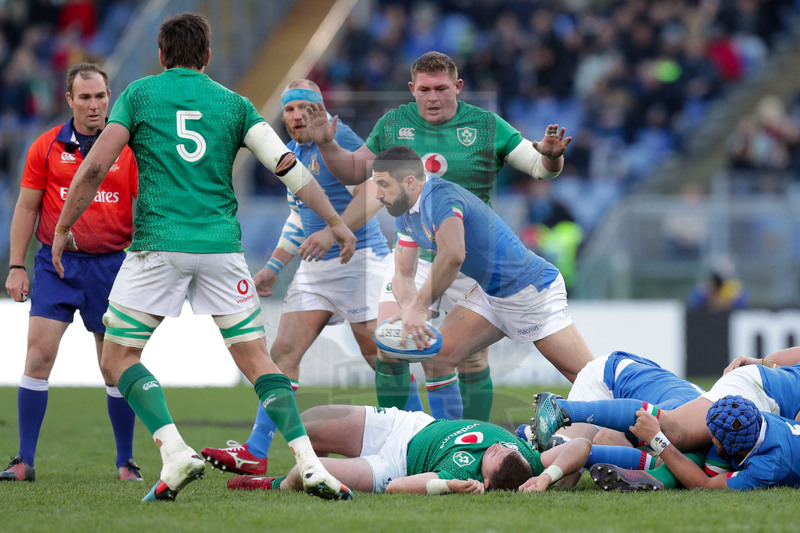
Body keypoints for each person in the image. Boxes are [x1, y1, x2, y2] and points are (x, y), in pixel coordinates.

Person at [49, 13, 356, 503]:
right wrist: (337, 223)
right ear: (208, 56)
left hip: (158, 244)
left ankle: (173, 450)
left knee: (119, 355)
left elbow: (95, 166)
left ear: (161, 54)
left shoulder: (139, 95)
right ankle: (310, 463)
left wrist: (64, 227)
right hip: (220, 248)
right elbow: (288, 168)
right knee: (257, 360)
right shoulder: (234, 105)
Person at [303, 51, 594, 421]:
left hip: (477, 264)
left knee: (473, 361)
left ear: (457, 87)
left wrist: (552, 158)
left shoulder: (485, 126)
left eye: (441, 88)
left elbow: (539, 166)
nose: (432, 97)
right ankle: (402, 439)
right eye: (424, 89)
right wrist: (328, 146)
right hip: (426, 251)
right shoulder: (395, 130)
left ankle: (471, 441)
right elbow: (355, 173)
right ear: (412, 89)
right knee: (392, 347)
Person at [200, 79, 423, 476]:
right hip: (317, 269)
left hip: (359, 262)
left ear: (321, 110)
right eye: (289, 109)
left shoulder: (340, 138)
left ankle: (419, 437)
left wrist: (331, 229)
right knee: (282, 355)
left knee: (382, 358)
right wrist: (273, 266)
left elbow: (374, 194)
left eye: (306, 106)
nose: (298, 115)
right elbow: (297, 217)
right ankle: (255, 450)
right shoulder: (288, 152)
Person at [366, 145, 591, 427]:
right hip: (487, 294)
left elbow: (454, 255)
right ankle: (457, 447)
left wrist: (419, 306)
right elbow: (403, 271)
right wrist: (414, 310)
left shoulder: (439, 196)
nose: (377, 194)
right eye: (376, 184)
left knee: (585, 375)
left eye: (383, 184)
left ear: (410, 181)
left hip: (529, 290)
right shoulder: (403, 211)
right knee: (438, 359)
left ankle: (645, 423)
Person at [2, 63, 141, 482]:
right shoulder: (45, 147)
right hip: (56, 264)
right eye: (85, 97)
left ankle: (125, 462)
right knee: (38, 356)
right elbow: (26, 207)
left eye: (101, 96)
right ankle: (24, 460)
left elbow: (146, 206)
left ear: (109, 96)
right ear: (69, 101)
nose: (95, 105)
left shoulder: (128, 149)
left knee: (115, 365)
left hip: (112, 267)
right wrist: (16, 266)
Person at [223, 404, 660, 495]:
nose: (497, 445)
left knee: (309, 471)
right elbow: (580, 445)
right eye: (500, 446)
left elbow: (397, 491)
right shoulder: (523, 460)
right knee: (307, 421)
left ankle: (270, 483)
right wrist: (546, 478)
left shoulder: (464, 478)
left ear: (484, 479)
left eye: (494, 453)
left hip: (391, 464)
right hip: (407, 423)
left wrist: (447, 486)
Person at [531, 347, 800, 457]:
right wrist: (763, 363)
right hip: (608, 380)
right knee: (673, 434)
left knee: (692, 452)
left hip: (764, 395)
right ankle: (563, 410)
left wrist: (762, 362)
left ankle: (531, 437)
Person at [594, 395, 800, 491]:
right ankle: (656, 475)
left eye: (713, 436)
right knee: (699, 452)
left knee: (702, 462)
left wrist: (657, 439)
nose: (708, 436)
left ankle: (657, 475)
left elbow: (704, 485)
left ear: (733, 448)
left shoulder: (768, 467)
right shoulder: (759, 419)